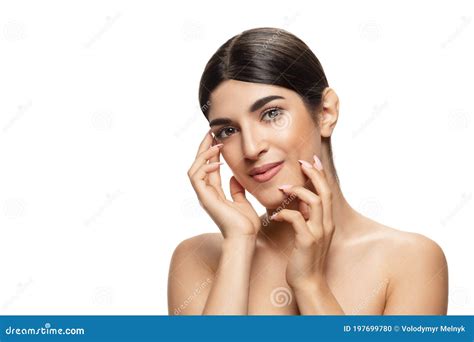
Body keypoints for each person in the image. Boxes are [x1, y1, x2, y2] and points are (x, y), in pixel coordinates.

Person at [168, 27, 448, 315]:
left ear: (326, 112)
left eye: (271, 114)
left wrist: (309, 284)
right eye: (228, 130)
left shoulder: (410, 260)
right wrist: (239, 243)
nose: (251, 149)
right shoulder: (199, 259)